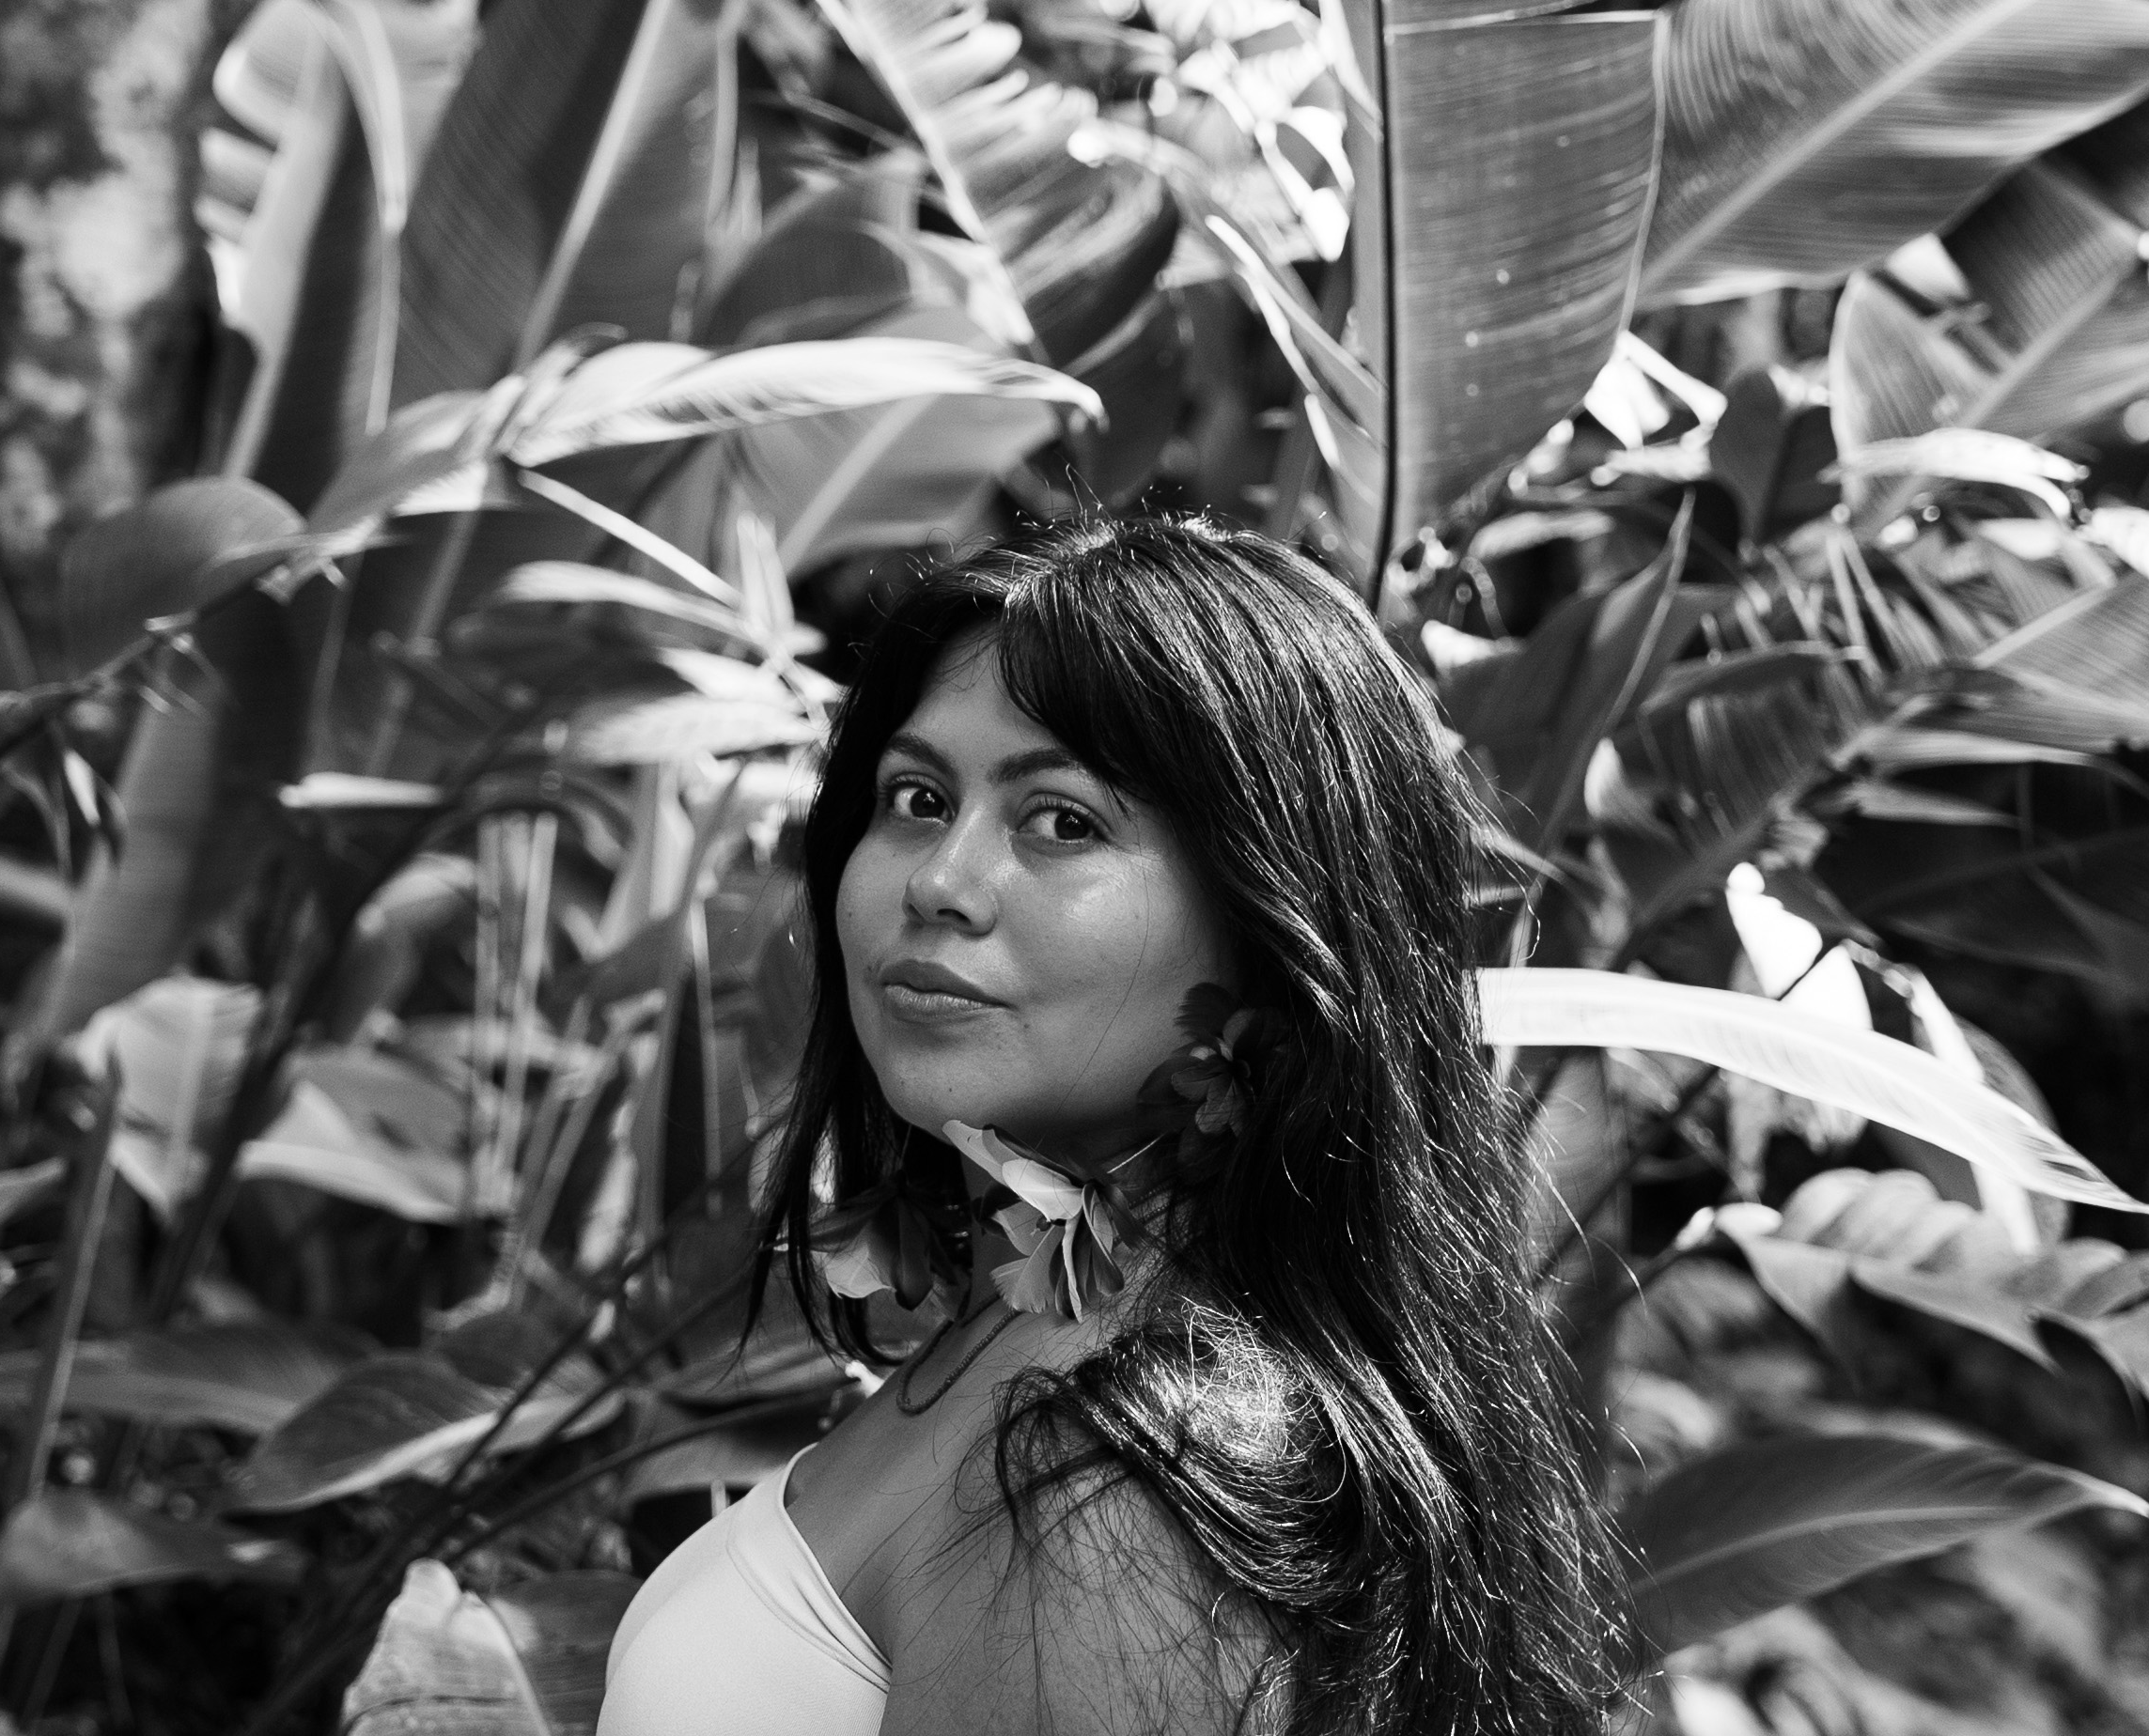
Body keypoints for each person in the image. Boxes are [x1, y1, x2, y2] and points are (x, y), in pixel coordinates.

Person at [600, 515, 1630, 1736]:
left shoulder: (1112, 1479)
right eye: (917, 799)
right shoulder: (1049, 1339)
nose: (939, 880)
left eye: (1062, 821)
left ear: (1271, 921)